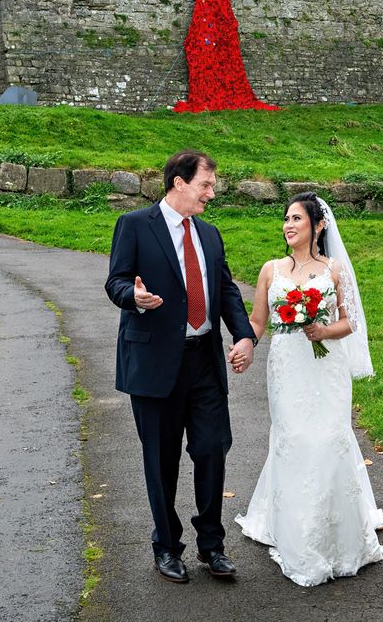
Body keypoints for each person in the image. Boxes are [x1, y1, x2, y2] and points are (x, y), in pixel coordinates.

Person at [105, 149, 257, 584]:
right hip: (153, 365)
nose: (212, 192)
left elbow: (226, 289)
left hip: (204, 361)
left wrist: (243, 334)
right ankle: (167, 547)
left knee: (212, 450)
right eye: (206, 184)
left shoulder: (210, 234)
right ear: (179, 182)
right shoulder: (135, 226)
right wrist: (131, 297)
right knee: (161, 460)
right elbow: (116, 280)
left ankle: (212, 545)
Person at [233, 191, 383, 586]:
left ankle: (339, 534)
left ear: (318, 226)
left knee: (328, 438)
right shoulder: (271, 270)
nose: (288, 225)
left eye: (296, 219)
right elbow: (257, 320)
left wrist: (321, 330)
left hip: (326, 368)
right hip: (287, 366)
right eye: (285, 219)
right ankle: (296, 532)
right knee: (295, 439)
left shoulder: (334, 270)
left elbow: (349, 322)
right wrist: (244, 343)